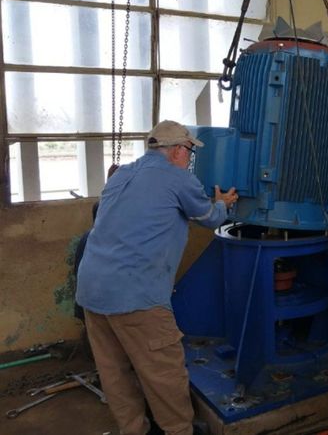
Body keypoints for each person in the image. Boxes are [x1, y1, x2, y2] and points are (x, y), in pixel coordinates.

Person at [76, 120, 238, 435]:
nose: (190, 158)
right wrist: (223, 204)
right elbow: (210, 218)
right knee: (163, 374)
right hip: (136, 296)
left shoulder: (122, 174)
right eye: (190, 151)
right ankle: (178, 431)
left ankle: (134, 430)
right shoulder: (178, 178)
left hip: (92, 292)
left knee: (115, 374)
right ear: (177, 150)